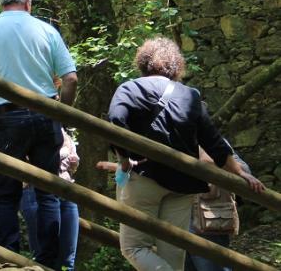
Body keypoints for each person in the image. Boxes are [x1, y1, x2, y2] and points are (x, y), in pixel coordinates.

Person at [107, 37, 263, 271]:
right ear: (176, 65)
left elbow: (116, 120)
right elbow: (214, 142)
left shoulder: (131, 88)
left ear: (142, 63)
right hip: (183, 184)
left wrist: (125, 160)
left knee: (134, 248)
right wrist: (241, 172)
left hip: (145, 177)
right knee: (173, 252)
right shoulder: (190, 95)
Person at [0, 0, 78, 268]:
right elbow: (70, 78)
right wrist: (62, 113)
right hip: (44, 115)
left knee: (6, 193)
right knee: (48, 191)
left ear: (1, 3)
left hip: (8, 116)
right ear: (28, 1)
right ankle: (48, 262)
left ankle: (8, 258)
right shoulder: (46, 30)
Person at [19, 128, 80, 270]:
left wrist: (73, 163)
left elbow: (71, 165)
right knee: (44, 257)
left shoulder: (63, 131)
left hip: (67, 191)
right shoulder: (27, 123)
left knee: (67, 260)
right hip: (35, 191)